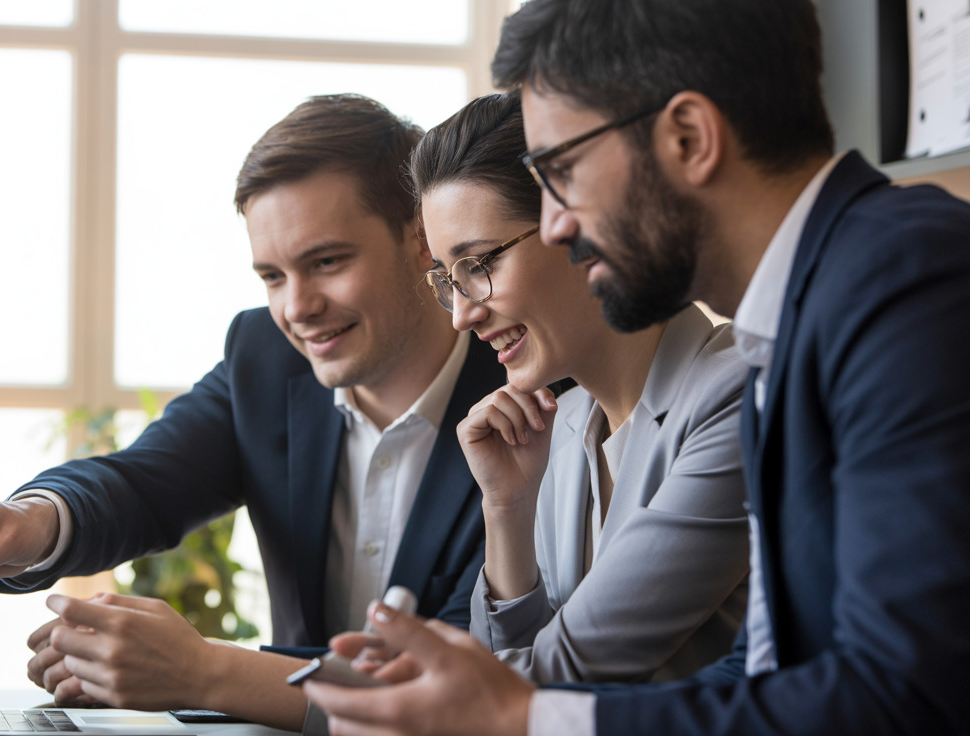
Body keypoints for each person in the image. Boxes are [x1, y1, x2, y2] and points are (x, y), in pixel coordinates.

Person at [303, 1, 970, 734]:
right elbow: (765, 672)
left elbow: (905, 693)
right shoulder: (792, 328)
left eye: (563, 171)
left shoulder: (906, 280)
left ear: (689, 138)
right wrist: (516, 709)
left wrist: (519, 716)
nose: (558, 224)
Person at [0, 94, 507, 731]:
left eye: (326, 262)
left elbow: (468, 678)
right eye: (272, 276)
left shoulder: (524, 400)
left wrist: (201, 671)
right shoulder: (265, 356)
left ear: (421, 239)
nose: (297, 308)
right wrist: (32, 522)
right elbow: (145, 483)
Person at [339, 91, 747, 687]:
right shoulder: (560, 425)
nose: (462, 315)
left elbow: (565, 673)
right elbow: (515, 674)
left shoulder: (735, 396)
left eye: (480, 264)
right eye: (447, 281)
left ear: (577, 228)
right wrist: (507, 510)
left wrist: (408, 684)